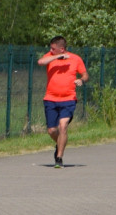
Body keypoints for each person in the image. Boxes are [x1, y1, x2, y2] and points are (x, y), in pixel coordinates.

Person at [37, 36, 88, 168]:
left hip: (68, 99)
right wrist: (55, 57)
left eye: (53, 49)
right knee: (52, 130)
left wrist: (81, 80)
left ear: (62, 49)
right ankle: (60, 142)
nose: (50, 50)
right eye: (50, 48)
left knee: (63, 125)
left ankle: (59, 158)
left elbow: (85, 74)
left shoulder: (75, 59)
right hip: (50, 98)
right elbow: (41, 62)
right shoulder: (50, 56)